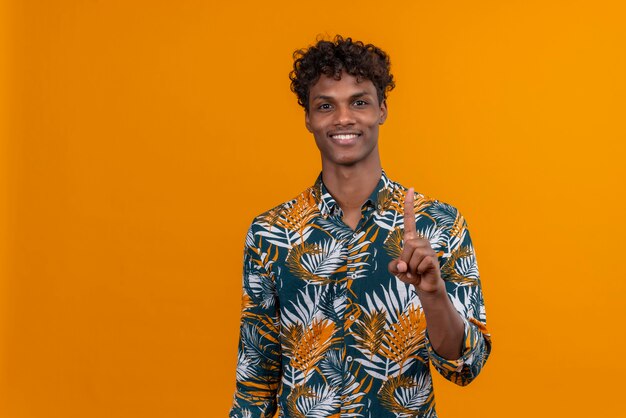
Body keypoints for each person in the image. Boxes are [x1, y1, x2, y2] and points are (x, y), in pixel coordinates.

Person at [229, 35, 491, 418]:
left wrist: (433, 295)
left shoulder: (440, 225)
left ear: (382, 109)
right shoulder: (271, 232)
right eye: (325, 105)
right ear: (308, 118)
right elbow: (255, 382)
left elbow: (465, 367)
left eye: (359, 102)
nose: (343, 119)